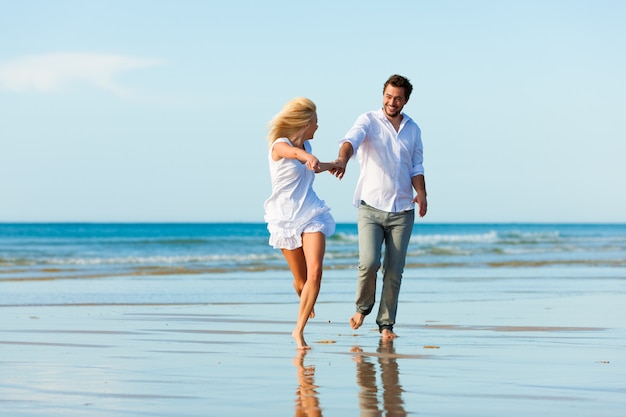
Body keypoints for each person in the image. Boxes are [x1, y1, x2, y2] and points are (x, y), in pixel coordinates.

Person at [331, 74, 427, 339]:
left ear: (406, 100)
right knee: (369, 262)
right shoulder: (369, 121)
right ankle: (362, 307)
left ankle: (386, 325)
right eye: (388, 96)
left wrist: (422, 193)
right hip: (371, 207)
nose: (391, 102)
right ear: (382, 95)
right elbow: (351, 141)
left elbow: (416, 166)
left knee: (394, 271)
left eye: (397, 98)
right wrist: (342, 159)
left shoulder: (413, 129)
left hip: (403, 211)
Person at [264, 97, 338, 349]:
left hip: (310, 212)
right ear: (305, 123)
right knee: (301, 280)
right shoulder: (279, 145)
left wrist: (333, 165)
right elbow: (294, 154)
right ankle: (306, 295)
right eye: (316, 123)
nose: (318, 127)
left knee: (315, 272)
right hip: (284, 217)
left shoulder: (306, 145)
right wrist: (307, 155)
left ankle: (298, 330)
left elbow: (312, 166)